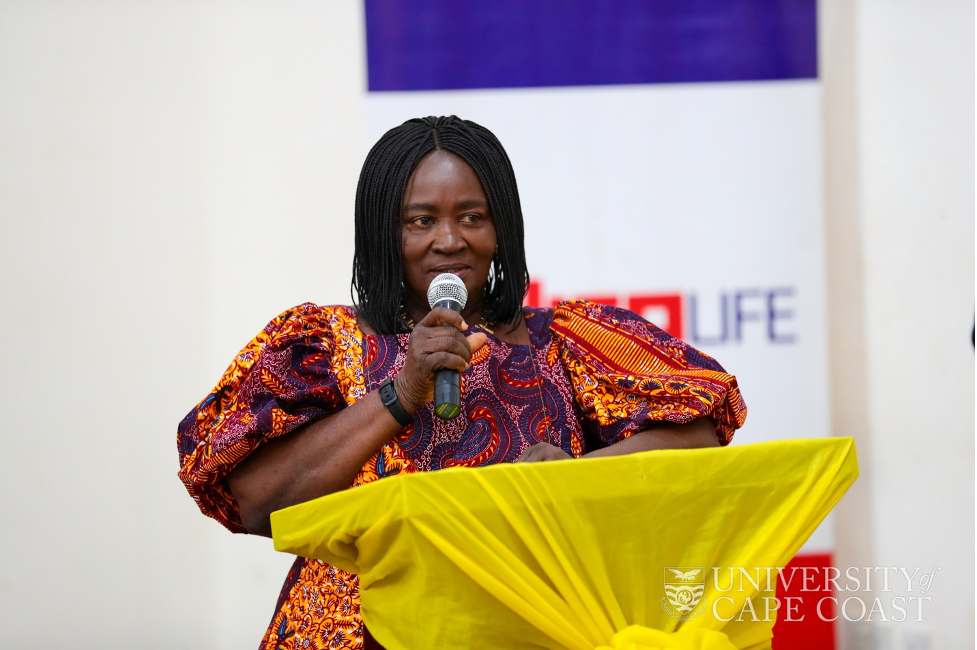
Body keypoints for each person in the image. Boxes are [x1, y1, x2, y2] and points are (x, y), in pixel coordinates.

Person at [177, 116, 747, 650]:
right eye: (420, 220)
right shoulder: (322, 342)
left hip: (532, 625)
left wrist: (575, 475)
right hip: (360, 634)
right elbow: (256, 503)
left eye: (472, 217)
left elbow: (698, 435)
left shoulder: (567, 341)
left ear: (501, 229)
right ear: (383, 233)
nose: (449, 240)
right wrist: (402, 391)